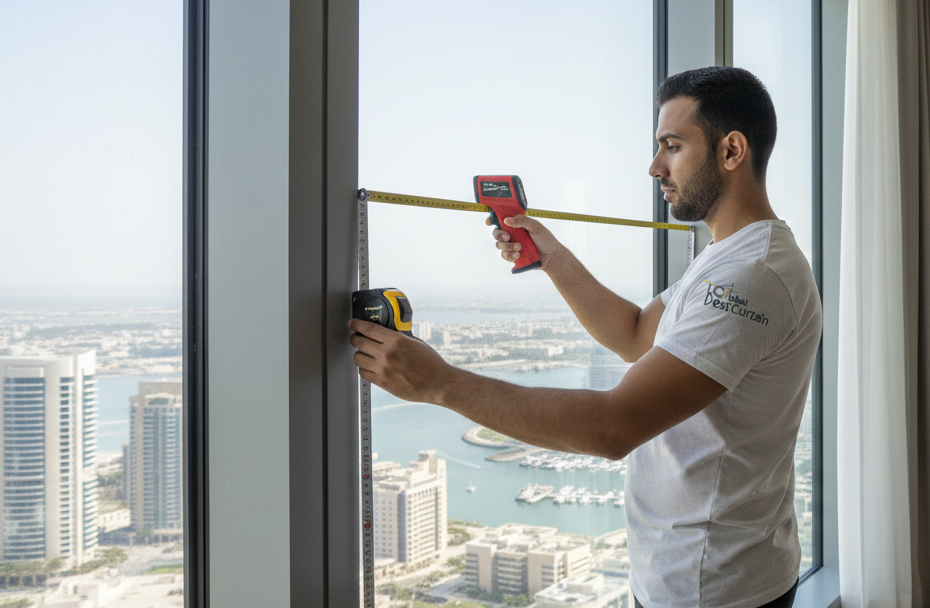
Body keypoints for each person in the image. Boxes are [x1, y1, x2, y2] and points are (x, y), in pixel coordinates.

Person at [349, 66, 822, 608]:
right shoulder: (727, 257)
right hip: (701, 575)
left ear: (731, 150)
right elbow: (637, 335)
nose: (654, 167)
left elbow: (612, 427)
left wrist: (439, 384)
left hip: (713, 588)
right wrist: (551, 257)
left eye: (671, 146)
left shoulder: (752, 275)